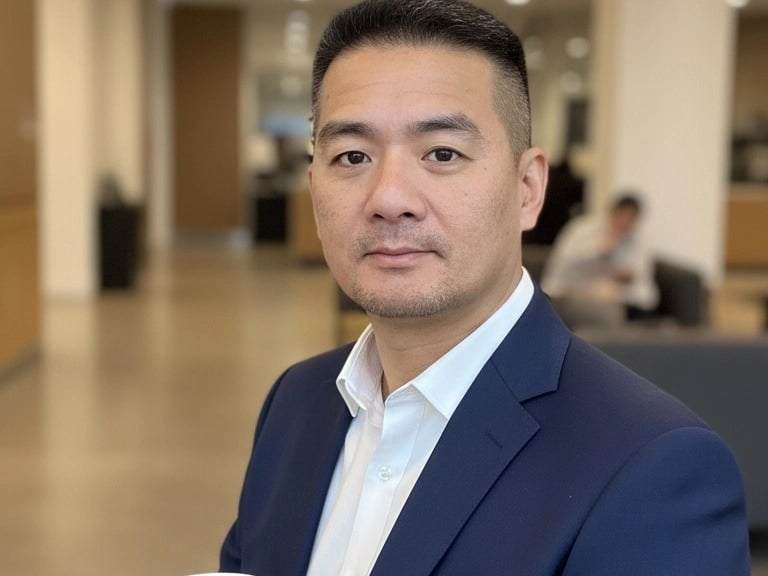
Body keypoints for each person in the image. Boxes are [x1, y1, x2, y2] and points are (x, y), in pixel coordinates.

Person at [220, 1, 750, 574]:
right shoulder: (296, 402)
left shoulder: (653, 467)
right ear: (314, 188)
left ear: (527, 189)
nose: (389, 198)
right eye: (352, 156)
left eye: (442, 153)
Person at [542, 194, 659, 326]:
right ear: (612, 212)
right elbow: (565, 267)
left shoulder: (637, 239)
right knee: (608, 311)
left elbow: (640, 278)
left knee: (637, 306)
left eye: (631, 220)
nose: (625, 224)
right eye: (623, 217)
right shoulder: (581, 229)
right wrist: (599, 249)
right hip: (569, 293)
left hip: (620, 298)